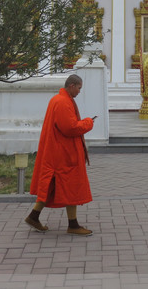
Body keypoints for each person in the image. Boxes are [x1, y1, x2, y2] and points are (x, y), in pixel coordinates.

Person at [25, 74, 96, 236]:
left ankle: (34, 216)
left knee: (52, 186)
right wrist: (88, 122)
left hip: (58, 150)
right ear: (71, 85)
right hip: (63, 154)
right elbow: (69, 128)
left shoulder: (57, 100)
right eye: (79, 88)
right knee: (69, 186)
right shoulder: (63, 102)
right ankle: (73, 224)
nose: (79, 91)